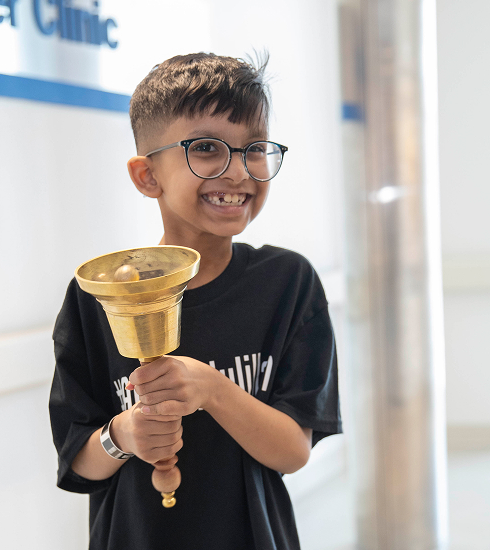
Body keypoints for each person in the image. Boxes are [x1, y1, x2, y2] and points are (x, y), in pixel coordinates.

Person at [49, 52, 342, 550]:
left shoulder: (287, 283)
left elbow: (293, 450)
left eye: (254, 149)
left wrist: (210, 387)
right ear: (147, 176)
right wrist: (125, 434)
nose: (237, 172)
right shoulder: (97, 294)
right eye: (206, 148)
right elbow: (78, 461)